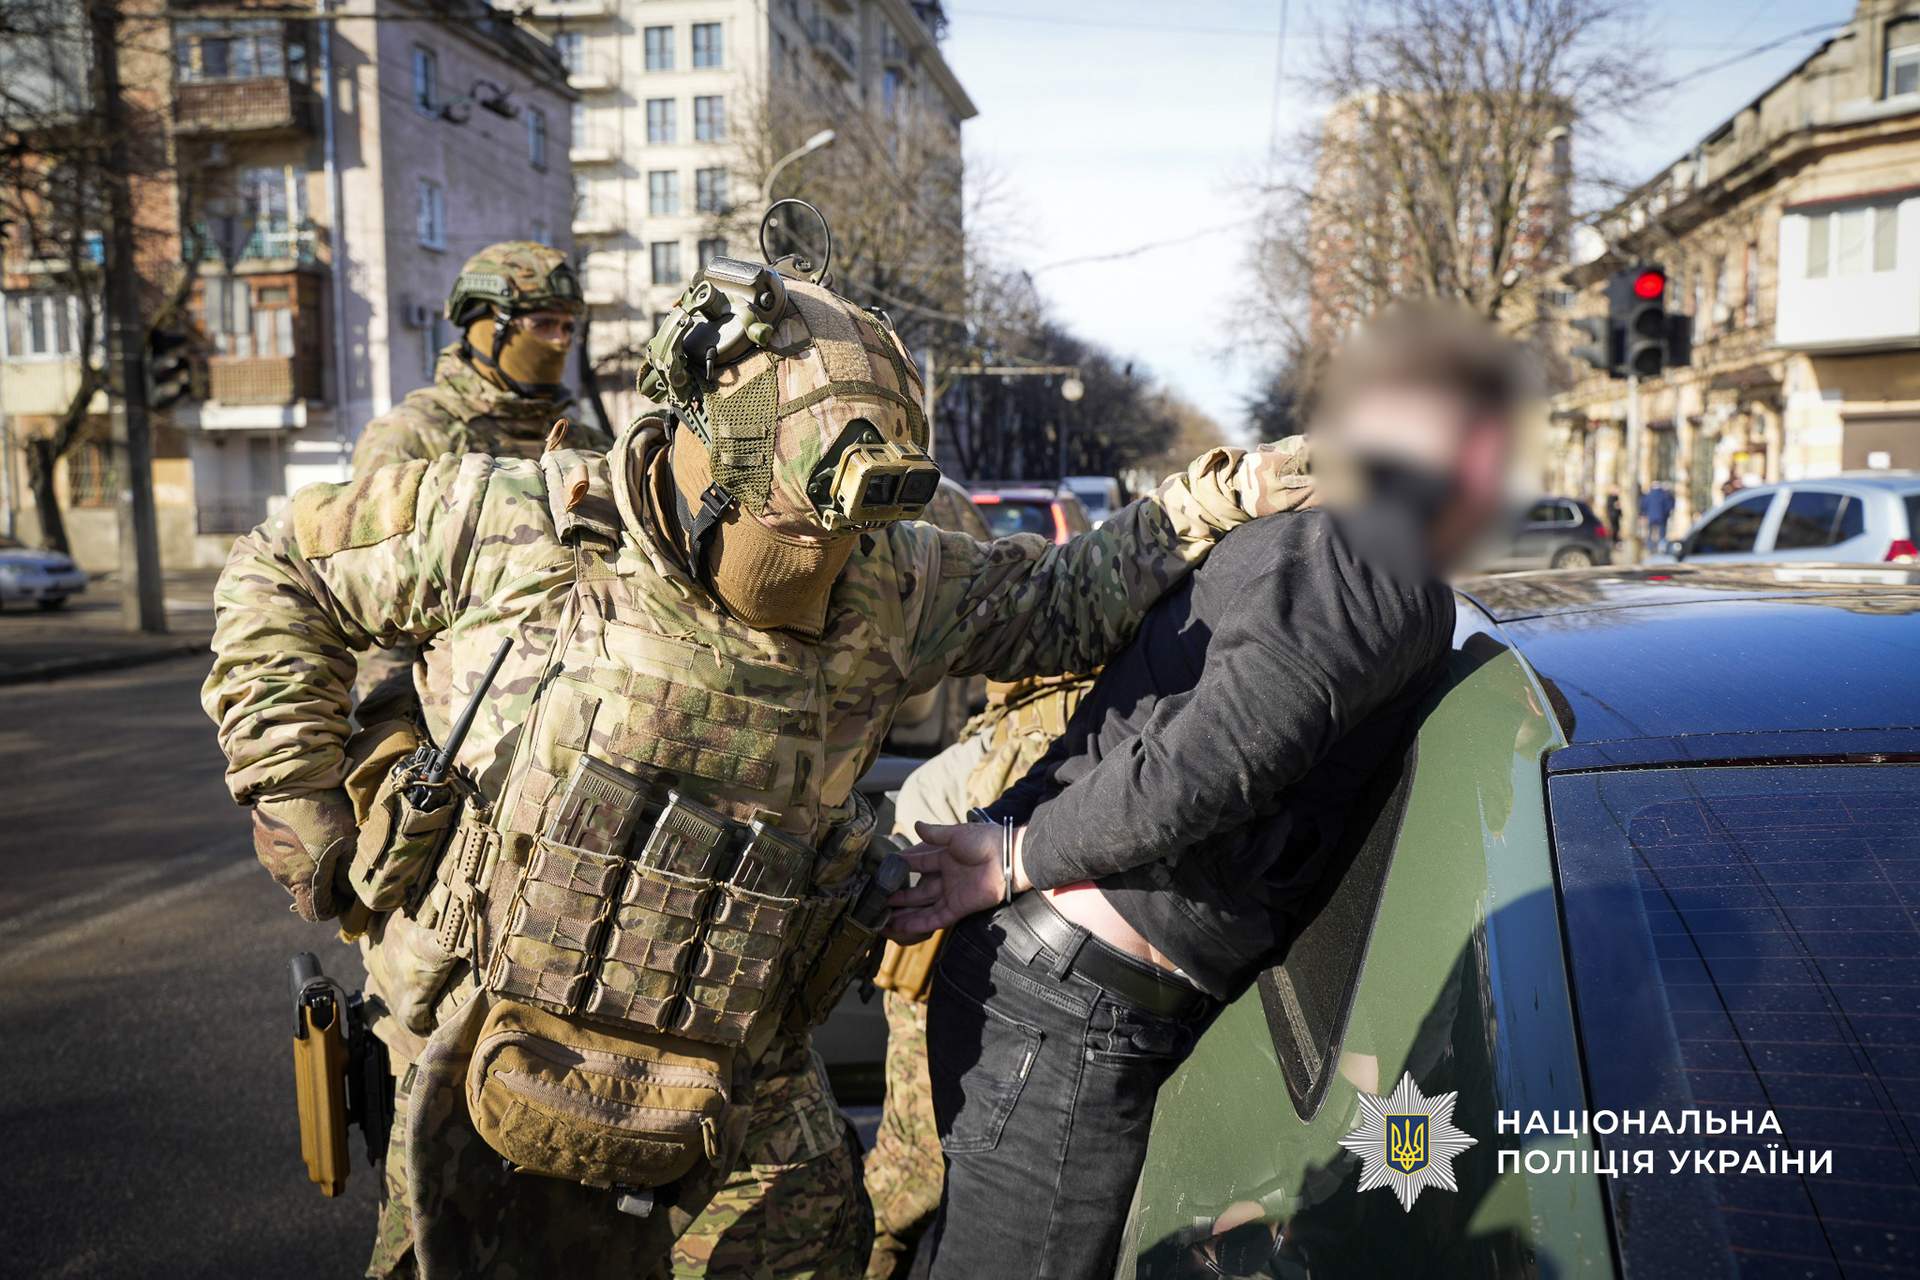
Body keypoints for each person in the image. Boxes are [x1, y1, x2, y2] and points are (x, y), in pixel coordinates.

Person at [202, 255, 1319, 1280]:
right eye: (797, 541)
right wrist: (302, 805)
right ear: (711, 461)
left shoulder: (890, 581)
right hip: (483, 1052)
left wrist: (1212, 500)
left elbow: (1060, 604)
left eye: (841, 547)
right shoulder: (519, 527)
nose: (820, 575)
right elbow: (281, 572)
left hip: (739, 1078)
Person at [888, 304, 1526, 1280]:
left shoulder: (1339, 546)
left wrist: (1016, 840)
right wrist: (1018, 851)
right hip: (1069, 1006)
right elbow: (1223, 748)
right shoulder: (1367, 553)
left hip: (1066, 989)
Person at [862, 674, 1093, 1280]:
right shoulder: (1049, 722)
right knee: (912, 1182)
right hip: (947, 965)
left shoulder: (1072, 709)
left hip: (981, 961)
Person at [350, 240, 610, 729]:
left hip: (574, 706)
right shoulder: (413, 438)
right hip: (447, 712)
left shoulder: (586, 441)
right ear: (490, 325)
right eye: (543, 324)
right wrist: (392, 731)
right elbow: (379, 605)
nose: (560, 340)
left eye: (567, 326)